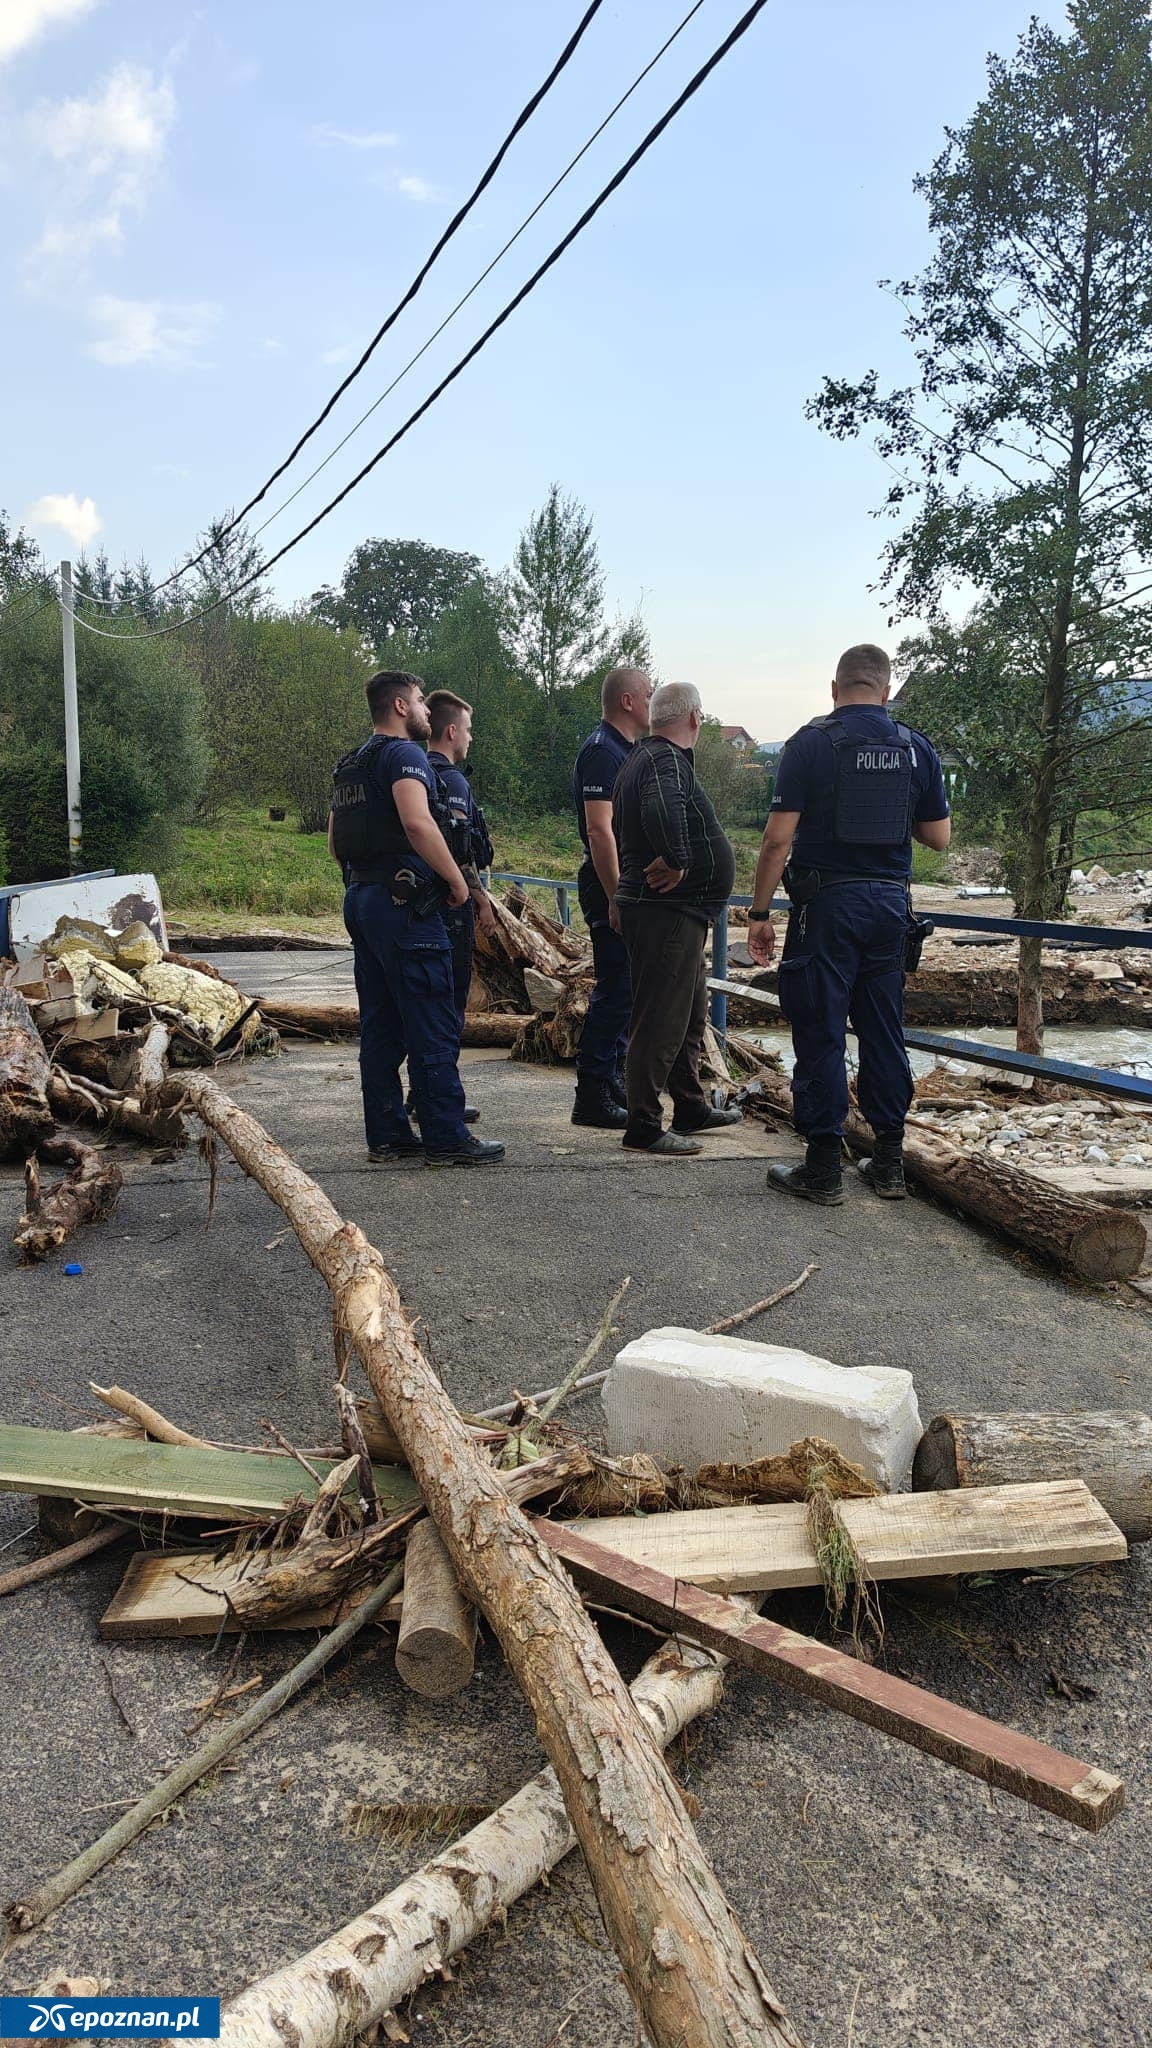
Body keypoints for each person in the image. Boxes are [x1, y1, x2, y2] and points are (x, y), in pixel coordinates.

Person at [747, 643, 951, 1204]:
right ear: (886, 692)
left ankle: (822, 1169)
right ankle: (888, 1164)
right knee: (884, 1031)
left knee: (820, 1029)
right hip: (890, 909)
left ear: (835, 691)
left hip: (827, 909)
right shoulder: (917, 749)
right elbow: (938, 837)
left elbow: (776, 839)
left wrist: (760, 915)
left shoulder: (811, 744)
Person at [329, 669, 505, 1169]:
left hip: (362, 898)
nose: (428, 710)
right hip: (407, 906)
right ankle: (446, 1136)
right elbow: (416, 819)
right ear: (401, 707)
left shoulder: (350, 765)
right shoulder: (404, 754)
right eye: (422, 700)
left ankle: (387, 1134)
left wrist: (367, 879)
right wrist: (454, 881)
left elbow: (334, 841)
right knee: (429, 1018)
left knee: (380, 1023)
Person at [612, 681, 743, 1155]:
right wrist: (680, 858)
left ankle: (690, 1105)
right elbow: (661, 810)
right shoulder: (664, 759)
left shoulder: (642, 759)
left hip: (678, 914)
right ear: (694, 719)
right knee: (659, 1019)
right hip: (665, 912)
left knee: (689, 1013)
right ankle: (644, 1124)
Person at [570, 666, 654, 1129]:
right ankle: (592, 1095)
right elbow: (599, 830)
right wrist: (616, 894)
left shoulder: (628, 750)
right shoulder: (603, 752)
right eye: (648, 693)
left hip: (624, 882)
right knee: (616, 989)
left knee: (628, 992)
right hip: (609, 882)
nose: (652, 699)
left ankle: (612, 1082)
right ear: (627, 701)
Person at [421, 688, 498, 1124]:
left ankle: (424, 1093)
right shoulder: (451, 780)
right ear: (451, 731)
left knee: (425, 1006)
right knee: (449, 1006)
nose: (470, 739)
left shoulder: (414, 774)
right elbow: (460, 849)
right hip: (451, 909)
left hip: (418, 907)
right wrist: (480, 901)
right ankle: (441, 1097)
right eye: (467, 730)